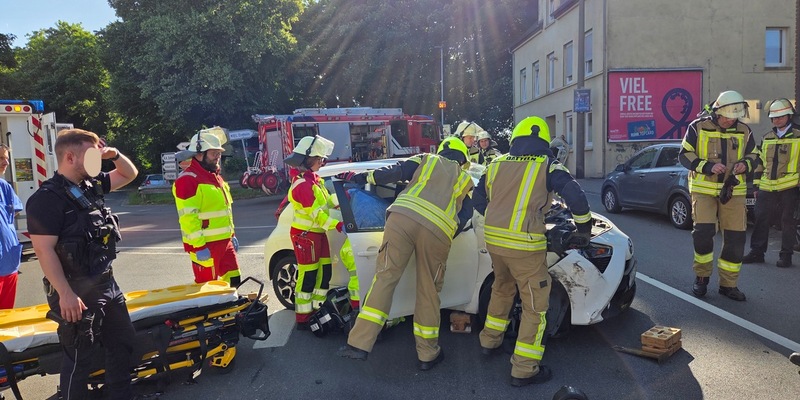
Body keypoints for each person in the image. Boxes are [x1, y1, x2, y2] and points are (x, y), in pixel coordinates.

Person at [336, 136, 474, 371]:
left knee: (385, 278)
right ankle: (427, 355)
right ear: (463, 160)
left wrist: (364, 178)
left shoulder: (427, 159)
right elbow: (467, 214)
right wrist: (448, 232)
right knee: (428, 291)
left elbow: (395, 171)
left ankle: (358, 344)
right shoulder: (465, 179)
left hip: (402, 217)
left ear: (442, 150)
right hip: (437, 230)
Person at [473, 116, 591, 387]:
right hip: (525, 247)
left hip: (494, 241)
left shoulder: (495, 163)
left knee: (502, 289)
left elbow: (479, 199)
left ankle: (489, 342)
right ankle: (524, 369)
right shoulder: (547, 164)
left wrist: (498, 220)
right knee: (535, 306)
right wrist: (582, 230)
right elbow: (575, 196)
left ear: (515, 138)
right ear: (543, 140)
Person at [26, 128, 138, 399]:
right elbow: (43, 250)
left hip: (106, 283)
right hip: (75, 289)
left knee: (123, 344)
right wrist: (65, 293)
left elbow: (129, 174)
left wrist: (115, 154)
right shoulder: (46, 199)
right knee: (79, 358)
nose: (97, 161)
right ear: (70, 157)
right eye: (91, 155)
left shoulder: (91, 185)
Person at [679, 90, 760, 301]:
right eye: (726, 116)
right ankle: (701, 278)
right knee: (703, 235)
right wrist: (707, 167)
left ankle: (728, 285)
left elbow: (755, 155)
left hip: (734, 191)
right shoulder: (697, 127)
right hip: (704, 190)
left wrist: (746, 164)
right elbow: (685, 154)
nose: (729, 120)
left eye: (734, 116)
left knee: (735, 239)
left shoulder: (744, 130)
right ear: (717, 112)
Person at [283, 135, 344, 329]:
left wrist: (344, 197)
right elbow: (317, 215)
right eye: (319, 159)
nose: (322, 162)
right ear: (307, 160)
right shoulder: (302, 185)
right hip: (306, 234)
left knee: (324, 272)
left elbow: (325, 203)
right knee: (308, 275)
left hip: (315, 234)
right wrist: (338, 225)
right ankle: (303, 317)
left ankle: (317, 309)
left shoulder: (314, 181)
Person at [173, 127, 241, 287]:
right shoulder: (187, 181)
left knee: (234, 281)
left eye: (219, 153)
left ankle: (233, 312)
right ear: (198, 154)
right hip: (205, 245)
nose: (218, 157)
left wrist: (231, 235)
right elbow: (189, 218)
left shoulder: (215, 177)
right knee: (208, 290)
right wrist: (199, 246)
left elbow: (224, 211)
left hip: (225, 242)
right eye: (213, 153)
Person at [742, 99, 800, 268]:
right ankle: (757, 252)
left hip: (789, 187)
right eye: (774, 118)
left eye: (780, 117)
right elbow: (760, 163)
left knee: (787, 222)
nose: (776, 120)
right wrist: (756, 185)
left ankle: (786, 256)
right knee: (760, 219)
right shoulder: (767, 137)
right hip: (767, 187)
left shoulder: (798, 136)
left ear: (789, 116)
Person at [0, 144, 23, 309]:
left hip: (9, 262)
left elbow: (15, 210)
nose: (5, 162)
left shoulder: (4, 186)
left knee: (7, 317)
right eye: (1, 158)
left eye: (6, 158)